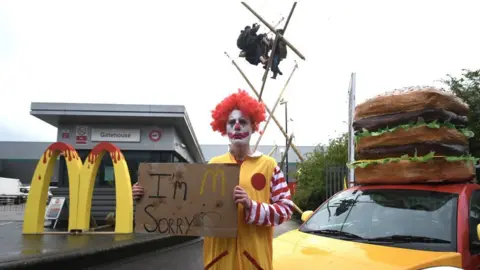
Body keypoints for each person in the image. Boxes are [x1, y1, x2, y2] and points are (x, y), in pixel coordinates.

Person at [132, 89, 294, 270]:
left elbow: (286, 210)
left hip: (255, 261)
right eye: (232, 122)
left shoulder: (269, 166)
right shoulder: (213, 165)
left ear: (253, 126)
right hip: (219, 261)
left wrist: (251, 206)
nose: (237, 126)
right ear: (225, 128)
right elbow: (187, 202)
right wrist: (148, 193)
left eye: (243, 122)